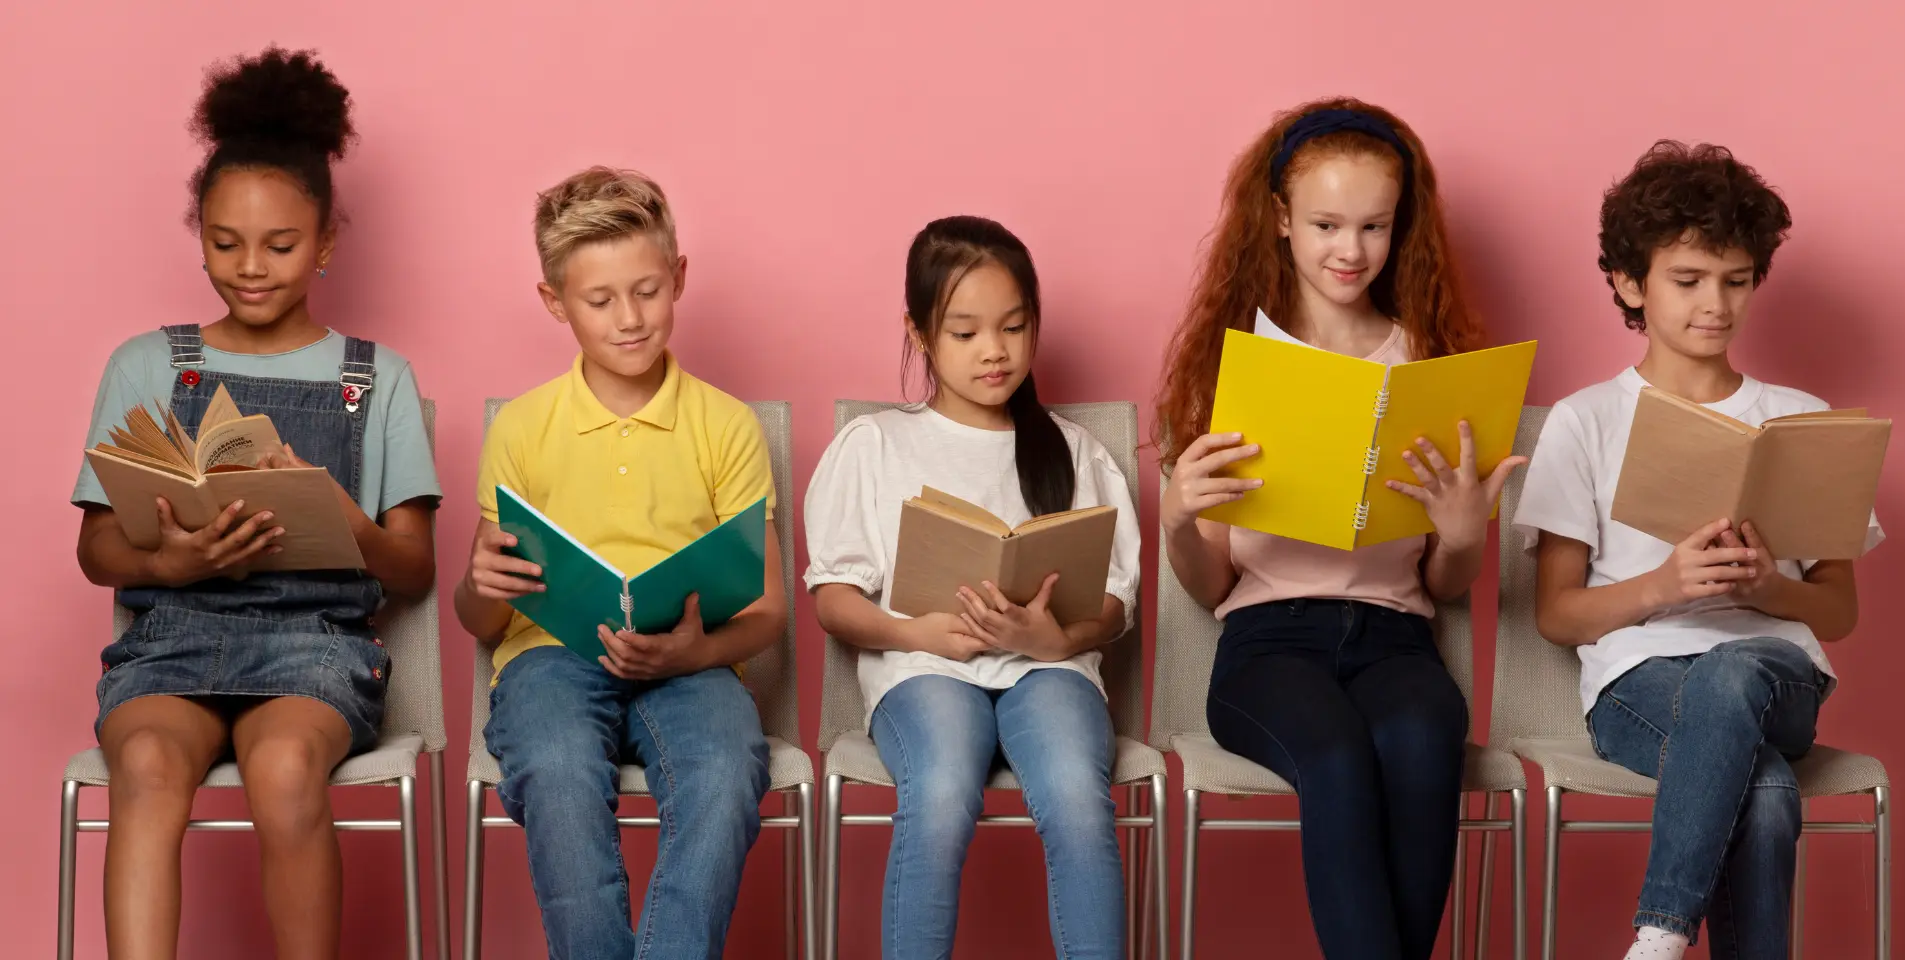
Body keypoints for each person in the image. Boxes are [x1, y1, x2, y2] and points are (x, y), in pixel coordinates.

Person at [73, 47, 440, 959]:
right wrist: (170, 562)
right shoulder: (148, 365)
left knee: (283, 771)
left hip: (314, 648)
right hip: (172, 639)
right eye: (224, 242)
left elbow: (415, 567)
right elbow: (97, 550)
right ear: (198, 231)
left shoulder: (377, 378)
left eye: (279, 246)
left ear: (324, 246)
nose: (250, 267)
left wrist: (344, 520)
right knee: (149, 769)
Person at [1153, 98, 1516, 958]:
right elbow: (1211, 587)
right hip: (1268, 646)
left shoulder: (1426, 363)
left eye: (1374, 227)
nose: (1349, 251)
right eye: (1324, 224)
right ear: (1279, 221)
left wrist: (1463, 531)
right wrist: (1176, 516)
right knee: (1339, 759)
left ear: (1402, 229)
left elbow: (1442, 583)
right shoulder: (1234, 363)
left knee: (1429, 744)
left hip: (1396, 639)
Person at [1514, 140, 1881, 960]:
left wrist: (1767, 591)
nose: (1715, 303)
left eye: (1736, 280)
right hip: (1638, 685)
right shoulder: (1586, 421)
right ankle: (1671, 934)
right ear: (1629, 282)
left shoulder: (1799, 416)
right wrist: (1666, 584)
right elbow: (1557, 613)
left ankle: (1659, 932)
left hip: (1776, 678)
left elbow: (1840, 609)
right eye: (1687, 280)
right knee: (1769, 794)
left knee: (1737, 666)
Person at [455, 166, 784, 960]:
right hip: (550, 659)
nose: (630, 319)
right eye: (600, 302)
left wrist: (696, 650)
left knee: (727, 772)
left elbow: (770, 608)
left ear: (678, 278)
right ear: (555, 303)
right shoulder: (523, 429)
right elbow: (480, 617)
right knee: (558, 770)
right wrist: (480, 584)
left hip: (692, 662)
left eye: (646, 291)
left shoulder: (725, 425)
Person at [804, 215, 1141, 959]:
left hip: (1048, 669)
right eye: (965, 333)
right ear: (920, 332)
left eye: (1015, 327)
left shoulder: (1075, 453)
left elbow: (1114, 603)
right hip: (925, 669)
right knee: (942, 791)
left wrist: (1055, 638)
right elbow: (834, 597)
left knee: (1078, 801)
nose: (995, 351)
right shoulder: (876, 446)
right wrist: (915, 632)